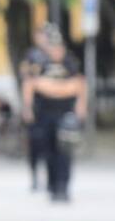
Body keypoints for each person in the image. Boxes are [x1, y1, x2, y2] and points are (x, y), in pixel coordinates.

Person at [23, 24, 87, 203]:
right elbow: (31, 84)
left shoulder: (70, 62)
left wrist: (79, 105)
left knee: (65, 150)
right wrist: (28, 106)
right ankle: (52, 185)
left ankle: (63, 187)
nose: (56, 51)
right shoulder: (39, 61)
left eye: (59, 47)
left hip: (65, 111)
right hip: (44, 112)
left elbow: (78, 84)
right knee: (48, 149)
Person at [20, 25, 55, 189]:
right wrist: (27, 107)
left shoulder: (56, 56)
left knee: (51, 144)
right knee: (35, 143)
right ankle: (34, 176)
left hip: (53, 106)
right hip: (37, 106)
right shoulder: (31, 56)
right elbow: (27, 80)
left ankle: (50, 178)